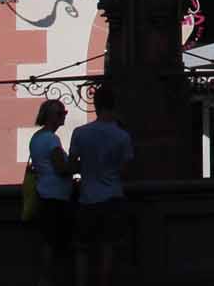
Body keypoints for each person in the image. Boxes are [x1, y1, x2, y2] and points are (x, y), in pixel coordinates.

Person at [69, 84, 135, 286]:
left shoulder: (80, 133)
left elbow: (72, 166)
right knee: (108, 248)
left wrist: (87, 166)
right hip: (113, 197)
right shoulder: (122, 136)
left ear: (96, 105)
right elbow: (125, 170)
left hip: (87, 198)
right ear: (114, 106)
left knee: (82, 249)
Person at [29, 98, 78, 285]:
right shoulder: (51, 139)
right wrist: (78, 164)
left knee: (48, 242)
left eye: (64, 113)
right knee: (57, 244)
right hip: (57, 198)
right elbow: (61, 168)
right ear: (50, 116)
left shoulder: (37, 138)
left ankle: (45, 280)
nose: (63, 116)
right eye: (60, 113)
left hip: (44, 194)